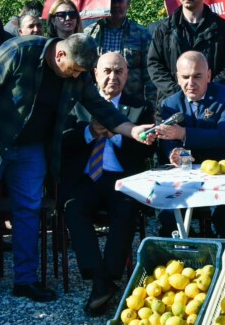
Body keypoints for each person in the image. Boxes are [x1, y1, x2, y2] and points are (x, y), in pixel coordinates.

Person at [0, 33, 154, 311]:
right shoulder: (20, 51)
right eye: (72, 70)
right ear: (60, 55)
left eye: (80, 73)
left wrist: (132, 130)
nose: (75, 76)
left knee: (28, 210)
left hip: (32, 147)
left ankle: (25, 279)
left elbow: (99, 107)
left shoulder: (77, 71)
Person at [61, 52, 155, 316]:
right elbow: (64, 142)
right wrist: (91, 132)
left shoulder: (140, 108)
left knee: (126, 210)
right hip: (86, 178)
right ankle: (100, 278)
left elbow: (147, 152)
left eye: (119, 71)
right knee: (73, 207)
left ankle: (106, 278)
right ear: (95, 74)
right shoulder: (76, 103)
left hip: (121, 178)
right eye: (107, 71)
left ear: (126, 75)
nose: (113, 76)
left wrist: (116, 134)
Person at [156, 51, 225, 238]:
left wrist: (184, 134)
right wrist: (175, 151)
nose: (191, 83)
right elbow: (167, 139)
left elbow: (224, 135)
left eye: (197, 76)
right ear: (177, 78)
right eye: (185, 77)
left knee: (224, 212)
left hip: (223, 172)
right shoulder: (169, 104)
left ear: (209, 75)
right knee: (166, 212)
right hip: (187, 176)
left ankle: (220, 248)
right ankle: (193, 247)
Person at [147, 0, 225, 112]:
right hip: (172, 107)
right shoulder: (164, 29)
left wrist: (206, 90)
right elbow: (154, 65)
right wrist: (179, 92)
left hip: (212, 107)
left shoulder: (222, 28)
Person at [86, 0, 155, 105]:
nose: (116, 5)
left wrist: (151, 105)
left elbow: (150, 75)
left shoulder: (142, 34)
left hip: (133, 105)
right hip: (97, 103)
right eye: (112, 1)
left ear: (127, 4)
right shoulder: (90, 34)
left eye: (120, 1)